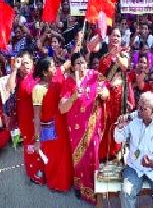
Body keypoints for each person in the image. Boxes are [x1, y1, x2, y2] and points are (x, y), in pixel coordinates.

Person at [59, 52, 109, 204]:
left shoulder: (95, 76)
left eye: (83, 62)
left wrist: (104, 94)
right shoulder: (68, 82)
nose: (81, 66)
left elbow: (107, 93)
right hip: (76, 129)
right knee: (79, 159)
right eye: (78, 63)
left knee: (93, 156)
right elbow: (62, 108)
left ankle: (95, 188)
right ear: (73, 67)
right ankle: (80, 187)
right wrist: (74, 95)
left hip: (93, 125)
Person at [114, 91, 153, 208]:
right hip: (135, 167)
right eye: (139, 106)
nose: (139, 110)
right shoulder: (133, 121)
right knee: (126, 193)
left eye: (143, 108)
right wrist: (120, 127)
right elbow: (118, 139)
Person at [32, 57, 73, 191]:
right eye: (52, 67)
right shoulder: (38, 89)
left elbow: (68, 65)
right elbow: (37, 116)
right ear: (44, 72)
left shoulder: (57, 82)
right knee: (53, 157)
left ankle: (66, 181)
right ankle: (55, 184)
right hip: (49, 128)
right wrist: (37, 139)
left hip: (62, 124)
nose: (55, 68)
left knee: (64, 154)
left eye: (55, 66)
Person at [6, 51, 45, 184]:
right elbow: (9, 88)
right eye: (22, 64)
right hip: (25, 119)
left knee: (43, 144)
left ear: (33, 63)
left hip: (41, 117)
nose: (25, 66)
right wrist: (14, 69)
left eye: (27, 63)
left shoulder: (38, 75)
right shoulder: (18, 77)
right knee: (30, 145)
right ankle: (34, 173)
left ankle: (44, 170)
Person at [97, 27, 132, 160]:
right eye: (113, 35)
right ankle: (104, 155)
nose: (115, 38)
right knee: (106, 124)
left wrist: (117, 55)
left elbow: (125, 67)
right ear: (109, 38)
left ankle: (118, 153)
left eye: (118, 36)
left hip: (120, 95)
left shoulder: (124, 56)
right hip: (107, 96)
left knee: (119, 123)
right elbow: (100, 78)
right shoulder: (104, 58)